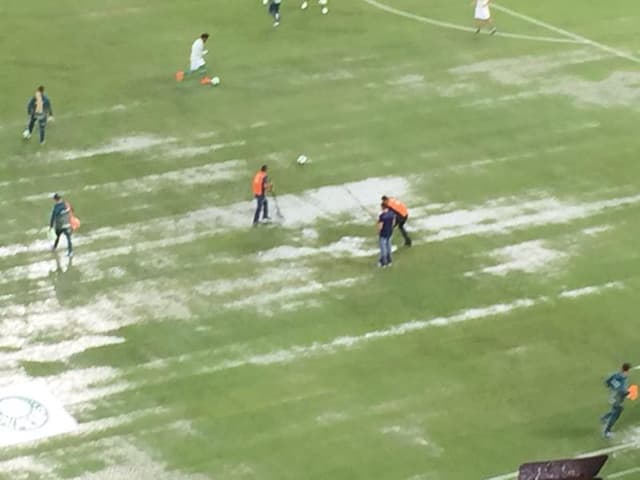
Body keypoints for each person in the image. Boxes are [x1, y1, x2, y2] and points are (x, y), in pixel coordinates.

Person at [601, 362, 632, 438]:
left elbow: (607, 382)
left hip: (613, 396)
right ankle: (606, 432)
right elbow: (622, 391)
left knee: (618, 410)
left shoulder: (616, 374)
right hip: (617, 398)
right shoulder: (624, 379)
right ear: (628, 370)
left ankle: (604, 417)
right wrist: (628, 392)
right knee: (616, 414)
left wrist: (612, 386)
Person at [377, 203, 395, 267]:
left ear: (382, 207)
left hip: (383, 234)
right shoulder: (392, 213)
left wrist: (378, 232)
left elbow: (380, 227)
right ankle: (389, 260)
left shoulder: (382, 216)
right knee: (389, 246)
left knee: (383, 248)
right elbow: (393, 223)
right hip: (390, 232)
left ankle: (384, 262)